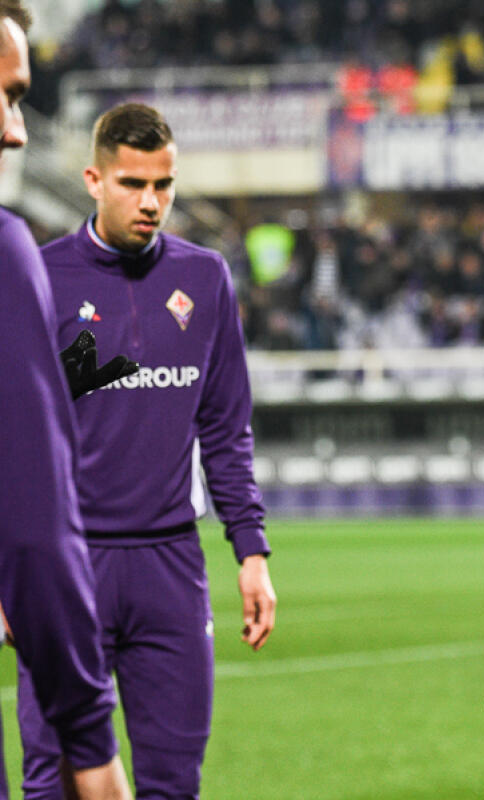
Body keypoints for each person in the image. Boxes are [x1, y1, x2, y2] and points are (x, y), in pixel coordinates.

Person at [15, 102, 277, 800]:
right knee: (53, 781)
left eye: (164, 184)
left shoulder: (207, 279)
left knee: (173, 783)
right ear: (93, 179)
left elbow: (225, 429)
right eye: (133, 184)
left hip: (171, 567)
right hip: (67, 566)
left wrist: (251, 554)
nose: (152, 202)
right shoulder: (37, 278)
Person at [0, 3, 133, 798]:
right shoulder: (10, 251)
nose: (16, 131)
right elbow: (34, 530)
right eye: (8, 96)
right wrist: (89, 740)